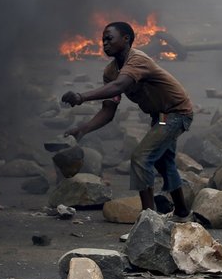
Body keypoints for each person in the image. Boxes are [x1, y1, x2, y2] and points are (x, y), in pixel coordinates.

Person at [61, 21, 194, 220]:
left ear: (126, 39)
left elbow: (119, 86)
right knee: (164, 163)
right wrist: (84, 129)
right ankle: (182, 213)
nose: (105, 43)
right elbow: (109, 109)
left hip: (175, 113)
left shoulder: (137, 59)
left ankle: (149, 220)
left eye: (110, 38)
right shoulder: (110, 72)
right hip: (161, 116)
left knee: (141, 158)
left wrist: (81, 97)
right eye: (103, 39)